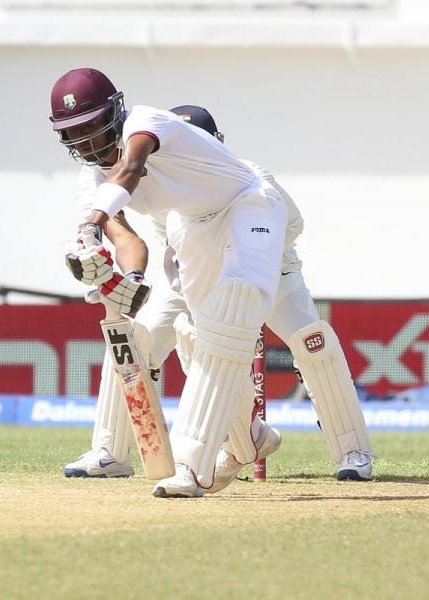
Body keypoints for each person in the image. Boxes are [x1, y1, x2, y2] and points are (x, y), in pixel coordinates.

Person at [63, 104, 374, 489]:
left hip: (275, 269)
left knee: (313, 343)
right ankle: (116, 450)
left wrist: (252, 265)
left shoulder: (248, 177)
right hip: (185, 273)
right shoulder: (156, 177)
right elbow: (139, 239)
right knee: (145, 339)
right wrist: (134, 277)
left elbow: (291, 225)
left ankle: (352, 451)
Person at [51, 67, 289, 498]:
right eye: (74, 134)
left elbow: (131, 167)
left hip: (248, 203)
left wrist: (89, 224)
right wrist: (130, 277)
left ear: (114, 112)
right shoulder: (91, 180)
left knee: (232, 310)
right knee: (205, 337)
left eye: (91, 126)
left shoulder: (145, 121)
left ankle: (190, 467)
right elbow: (125, 240)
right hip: (192, 226)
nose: (86, 142)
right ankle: (249, 438)